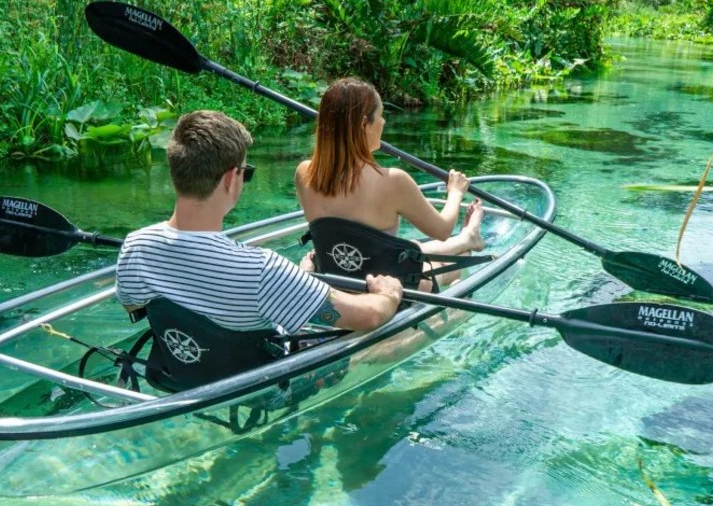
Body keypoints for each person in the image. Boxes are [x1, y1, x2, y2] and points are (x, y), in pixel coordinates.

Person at [115, 110, 404, 360]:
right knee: (390, 338)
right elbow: (368, 317)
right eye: (246, 172)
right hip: (269, 380)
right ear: (231, 178)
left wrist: (298, 279)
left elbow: (133, 304)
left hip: (186, 369)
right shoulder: (261, 269)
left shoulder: (136, 246)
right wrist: (387, 294)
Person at [294, 77, 484, 289]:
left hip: (337, 281)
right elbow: (442, 230)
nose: (383, 122)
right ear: (363, 125)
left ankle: (468, 237)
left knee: (409, 248)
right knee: (451, 261)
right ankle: (467, 242)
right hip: (388, 292)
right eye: (380, 115)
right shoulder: (394, 181)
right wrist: (456, 192)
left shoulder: (304, 173)